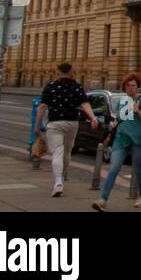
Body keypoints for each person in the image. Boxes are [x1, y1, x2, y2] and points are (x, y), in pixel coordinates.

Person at [91, 73, 141, 211]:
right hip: (121, 139)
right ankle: (103, 200)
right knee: (114, 168)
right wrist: (111, 132)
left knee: (138, 168)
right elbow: (119, 119)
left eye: (133, 85)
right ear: (124, 87)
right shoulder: (123, 100)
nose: (130, 88)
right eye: (127, 85)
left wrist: (137, 111)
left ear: (137, 87)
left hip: (138, 139)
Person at [35, 62, 98, 197]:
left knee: (57, 152)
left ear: (58, 72)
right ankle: (61, 178)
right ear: (71, 72)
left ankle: (58, 182)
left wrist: (37, 125)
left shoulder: (51, 87)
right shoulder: (76, 87)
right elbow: (85, 103)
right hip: (72, 123)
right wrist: (93, 117)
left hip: (55, 123)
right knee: (67, 152)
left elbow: (42, 107)